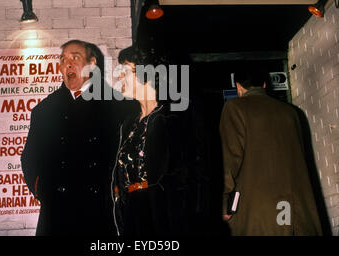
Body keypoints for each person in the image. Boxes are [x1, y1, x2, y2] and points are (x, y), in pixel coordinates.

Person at [21, 40, 138, 236]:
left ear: (92, 64)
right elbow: (29, 158)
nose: (67, 64)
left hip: (101, 212)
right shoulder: (44, 110)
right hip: (56, 214)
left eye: (75, 58)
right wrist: (43, 191)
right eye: (63, 60)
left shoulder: (120, 107)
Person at [110, 46, 209, 235]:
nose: (119, 78)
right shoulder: (129, 123)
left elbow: (197, 175)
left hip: (166, 217)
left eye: (124, 71)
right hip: (133, 213)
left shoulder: (177, 117)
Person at [219, 67, 323, 235]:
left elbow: (229, 158)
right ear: (265, 84)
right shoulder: (291, 112)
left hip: (260, 209)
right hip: (297, 209)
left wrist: (223, 203)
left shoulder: (235, 108)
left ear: (238, 86)